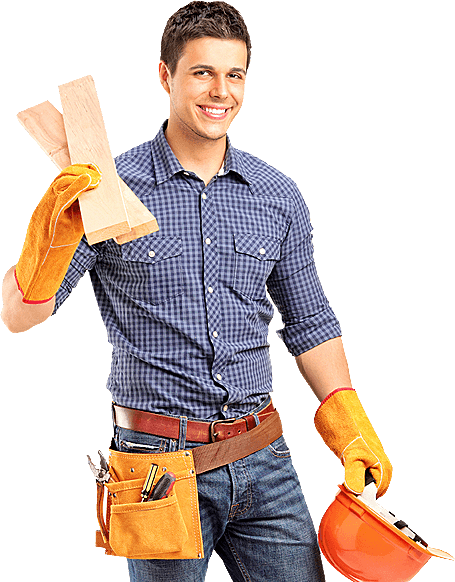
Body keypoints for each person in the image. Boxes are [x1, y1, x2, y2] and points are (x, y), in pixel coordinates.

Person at [1, 2, 392, 581]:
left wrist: (352, 428)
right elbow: (18, 317)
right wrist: (50, 240)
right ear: (165, 75)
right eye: (202, 72)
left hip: (265, 458)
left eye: (234, 75)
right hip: (157, 472)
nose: (220, 91)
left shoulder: (276, 195)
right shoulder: (106, 192)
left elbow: (309, 322)